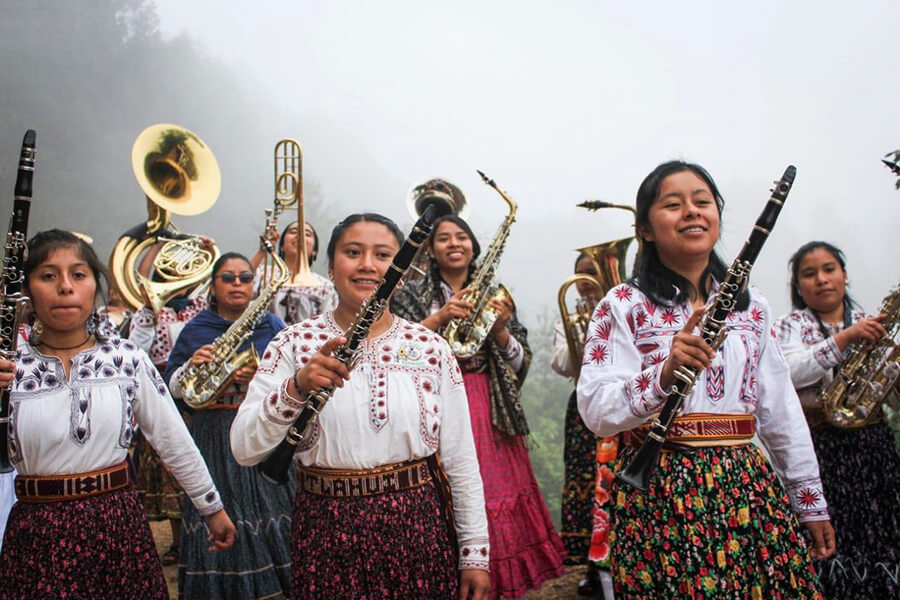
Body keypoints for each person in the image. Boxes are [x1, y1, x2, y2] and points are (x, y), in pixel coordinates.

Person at [576, 161, 835, 599]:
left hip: (747, 485)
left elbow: (780, 412)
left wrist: (809, 501)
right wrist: (661, 376)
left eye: (703, 202)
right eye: (673, 205)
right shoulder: (621, 304)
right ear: (645, 229)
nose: (693, 212)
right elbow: (597, 411)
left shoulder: (753, 309)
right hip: (659, 489)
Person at [231, 213, 492, 599]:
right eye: (353, 252)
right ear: (331, 266)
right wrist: (296, 388)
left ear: (401, 271)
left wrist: (474, 555)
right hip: (325, 532)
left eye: (383, 254)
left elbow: (460, 460)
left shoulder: (431, 348)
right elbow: (243, 448)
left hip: (416, 529)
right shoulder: (292, 344)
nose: (368, 265)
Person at [0, 229, 234, 598]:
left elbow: (171, 437)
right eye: (48, 275)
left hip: (117, 525)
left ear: (95, 285)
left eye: (78, 274)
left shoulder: (126, 359)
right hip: (37, 532)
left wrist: (211, 505)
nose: (65, 287)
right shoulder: (10, 366)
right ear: (27, 289)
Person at [391, 210, 566, 599]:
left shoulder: (496, 293)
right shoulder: (409, 296)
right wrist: (438, 318)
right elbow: (394, 352)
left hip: (488, 406)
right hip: (434, 406)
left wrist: (501, 330)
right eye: (444, 238)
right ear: (431, 252)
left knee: (493, 491)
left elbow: (521, 363)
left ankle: (496, 583)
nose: (454, 244)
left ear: (474, 246)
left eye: (461, 237)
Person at [774, 241, 900, 599]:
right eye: (809, 274)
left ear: (844, 275)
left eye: (829, 269)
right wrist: (844, 340)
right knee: (831, 543)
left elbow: (890, 398)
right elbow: (790, 373)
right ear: (798, 287)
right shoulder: (789, 326)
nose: (822, 280)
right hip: (819, 450)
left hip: (873, 449)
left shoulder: (871, 323)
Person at [165, 251, 291, 599]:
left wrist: (262, 375)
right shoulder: (196, 330)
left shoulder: (273, 326)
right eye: (228, 277)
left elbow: (295, 380)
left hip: (263, 432)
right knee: (222, 511)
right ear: (213, 285)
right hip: (213, 435)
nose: (237, 284)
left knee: (273, 511)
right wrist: (192, 365)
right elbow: (170, 389)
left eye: (245, 278)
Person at [129, 242, 209, 567]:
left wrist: (206, 251)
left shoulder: (201, 305)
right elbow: (137, 346)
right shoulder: (148, 310)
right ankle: (178, 540)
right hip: (159, 387)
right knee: (168, 467)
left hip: (198, 386)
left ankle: (202, 534)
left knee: (199, 459)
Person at [551, 252, 616, 599]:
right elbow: (561, 363)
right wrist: (589, 331)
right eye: (580, 275)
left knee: (616, 483)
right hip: (584, 406)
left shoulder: (624, 308)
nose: (586, 282)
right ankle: (592, 568)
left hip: (623, 406)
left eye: (592, 273)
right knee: (585, 481)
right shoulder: (571, 319)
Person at [251, 220, 337, 325]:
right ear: (281, 246)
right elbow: (242, 280)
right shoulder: (263, 273)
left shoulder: (325, 287)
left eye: (307, 234)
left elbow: (329, 323)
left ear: (314, 251)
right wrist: (262, 250)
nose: (300, 235)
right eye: (293, 231)